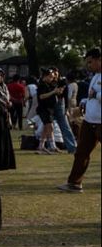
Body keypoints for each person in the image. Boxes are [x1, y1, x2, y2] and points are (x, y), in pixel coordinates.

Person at [60, 48, 102, 192]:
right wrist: (84, 101)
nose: (88, 65)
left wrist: (95, 95)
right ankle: (74, 183)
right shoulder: (95, 76)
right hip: (90, 121)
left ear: (99, 59)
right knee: (81, 153)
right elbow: (92, 96)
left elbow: (96, 94)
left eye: (90, 62)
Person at [35, 68, 60, 154]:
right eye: (50, 77)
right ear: (45, 76)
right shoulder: (42, 85)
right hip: (43, 109)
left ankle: (42, 146)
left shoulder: (49, 84)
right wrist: (53, 92)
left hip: (49, 109)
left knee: (46, 128)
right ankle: (50, 146)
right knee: (50, 127)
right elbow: (41, 96)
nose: (52, 78)